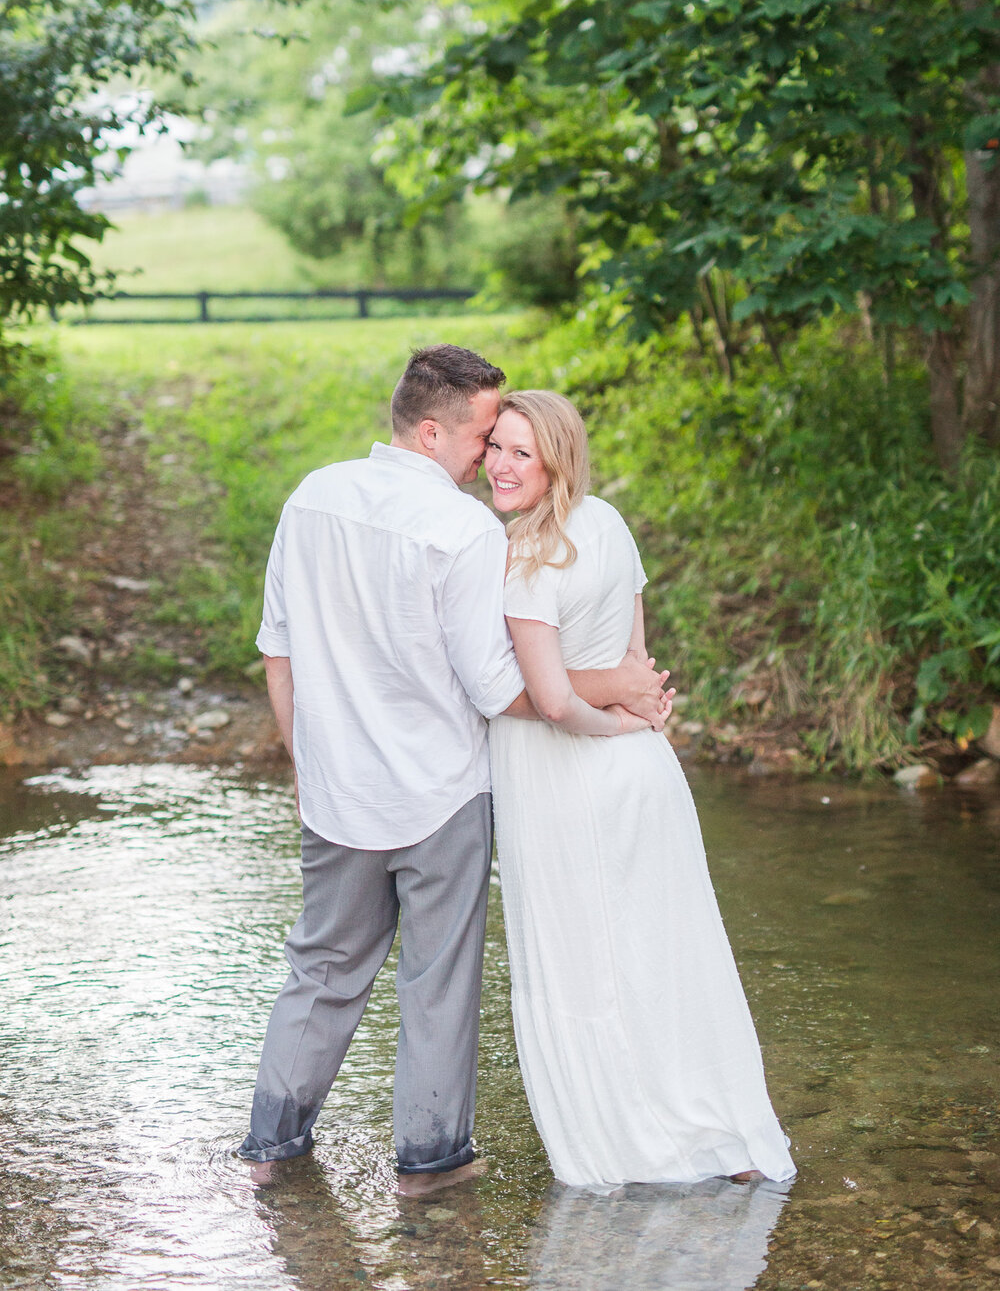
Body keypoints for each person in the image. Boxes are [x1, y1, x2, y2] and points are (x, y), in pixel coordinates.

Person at [237, 345, 670, 1196]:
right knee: (436, 985)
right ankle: (429, 1166)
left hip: (337, 795)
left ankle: (270, 1148)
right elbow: (504, 690)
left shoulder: (311, 496)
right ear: (432, 431)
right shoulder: (464, 530)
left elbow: (277, 654)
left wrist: (305, 766)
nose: (488, 455)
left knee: (321, 972)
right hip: (440, 797)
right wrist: (616, 686)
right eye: (481, 436)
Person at [485, 389, 796, 1190]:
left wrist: (618, 723)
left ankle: (630, 1146)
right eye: (496, 446)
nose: (501, 463)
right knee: (669, 954)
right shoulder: (611, 523)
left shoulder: (524, 554)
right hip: (648, 778)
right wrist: (640, 712)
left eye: (523, 451)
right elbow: (639, 660)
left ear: (557, 458)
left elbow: (551, 700)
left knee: (586, 963)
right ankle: (722, 1132)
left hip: (572, 779)